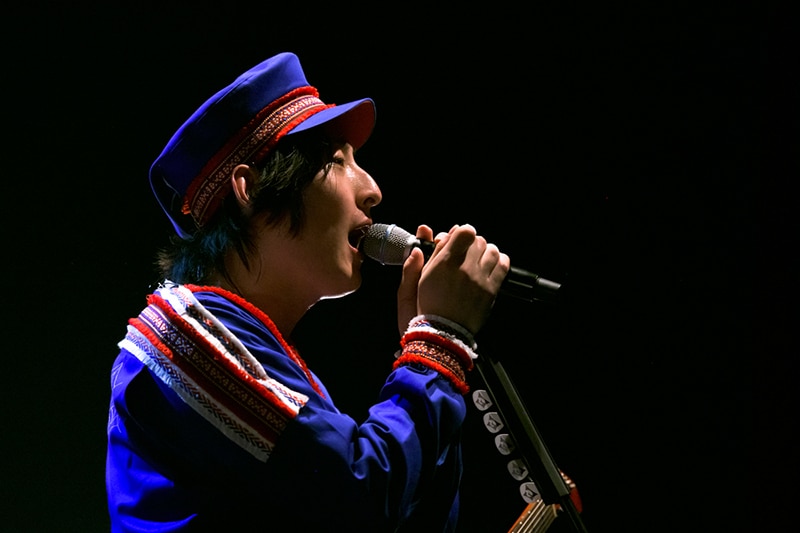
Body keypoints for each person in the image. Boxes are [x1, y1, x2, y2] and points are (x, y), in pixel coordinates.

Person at [105, 51, 510, 532]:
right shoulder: (180, 335)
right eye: (337, 160)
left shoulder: (259, 356)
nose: (373, 189)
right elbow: (361, 497)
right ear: (250, 188)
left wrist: (431, 348)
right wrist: (439, 344)